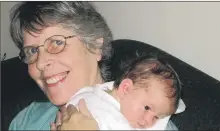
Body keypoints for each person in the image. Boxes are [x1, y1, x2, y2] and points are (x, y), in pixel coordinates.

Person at [8, 1, 179, 130]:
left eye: (57, 42)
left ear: (95, 46)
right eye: (32, 51)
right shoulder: (27, 119)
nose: (40, 62)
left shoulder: (149, 121)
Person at [51, 55, 185, 130]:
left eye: (156, 117)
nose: (147, 122)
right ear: (125, 88)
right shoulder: (99, 106)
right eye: (147, 108)